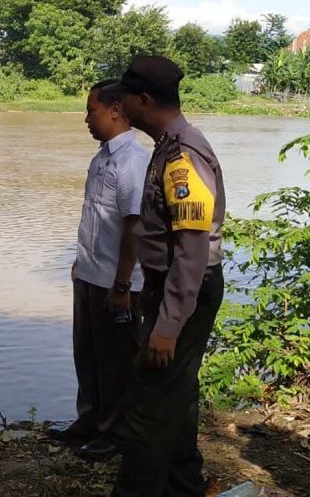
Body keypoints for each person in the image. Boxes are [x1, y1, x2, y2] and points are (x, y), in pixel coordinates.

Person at [107, 56, 227, 497]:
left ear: (143, 100)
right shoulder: (169, 145)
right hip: (175, 286)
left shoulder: (182, 156)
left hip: (183, 289)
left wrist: (168, 324)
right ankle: (183, 486)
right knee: (177, 394)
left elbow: (192, 249)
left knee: (150, 405)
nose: (120, 108)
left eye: (124, 100)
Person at [50, 80, 148, 459]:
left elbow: (134, 226)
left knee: (116, 361)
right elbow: (95, 218)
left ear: (115, 110)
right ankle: (89, 421)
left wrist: (122, 285)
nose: (86, 119)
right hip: (90, 276)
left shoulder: (132, 161)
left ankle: (115, 434)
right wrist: (80, 264)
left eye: (91, 110)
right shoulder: (102, 158)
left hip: (115, 283)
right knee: (88, 353)